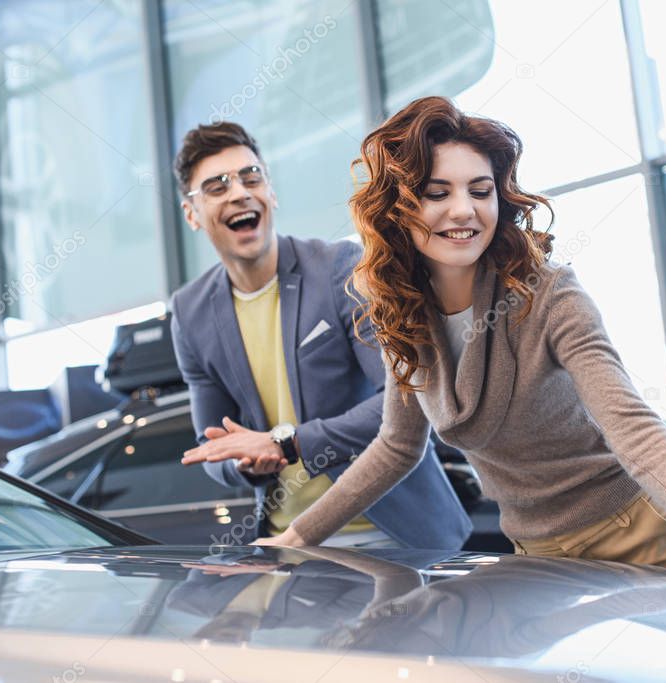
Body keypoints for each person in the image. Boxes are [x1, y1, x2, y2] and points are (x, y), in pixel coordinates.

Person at [254, 97, 666, 614]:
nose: (464, 210)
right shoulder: (402, 314)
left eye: (480, 190)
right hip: (538, 558)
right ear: (398, 209)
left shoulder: (547, 293)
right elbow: (396, 447)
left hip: (643, 536)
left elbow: (634, 428)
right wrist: (296, 538)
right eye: (438, 193)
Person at [171, 121, 471, 549]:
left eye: (251, 177)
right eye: (216, 187)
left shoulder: (338, 268)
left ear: (271, 193)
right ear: (192, 214)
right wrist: (243, 463)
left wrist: (287, 444)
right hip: (289, 546)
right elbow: (210, 446)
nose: (239, 192)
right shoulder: (189, 313)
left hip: (389, 534)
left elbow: (402, 399)